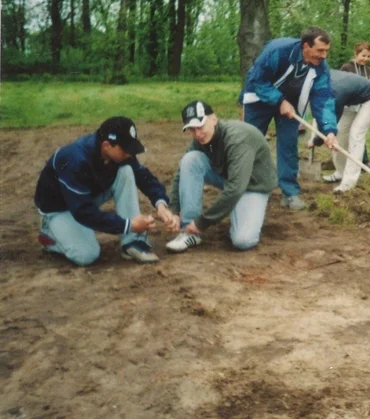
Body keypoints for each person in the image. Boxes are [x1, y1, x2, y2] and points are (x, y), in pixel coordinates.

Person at [34, 116, 179, 266]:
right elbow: (83, 212)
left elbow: (144, 177)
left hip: (85, 198)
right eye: (126, 149)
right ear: (106, 145)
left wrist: (161, 205)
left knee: (127, 170)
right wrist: (129, 225)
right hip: (60, 209)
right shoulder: (73, 159)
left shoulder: (119, 153)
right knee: (87, 255)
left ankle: (133, 242)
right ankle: (50, 235)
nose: (130, 154)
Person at [241, 27, 338, 210]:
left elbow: (323, 99)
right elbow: (258, 80)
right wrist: (279, 101)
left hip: (292, 104)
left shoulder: (321, 68)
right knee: (249, 142)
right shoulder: (278, 51)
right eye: (320, 50)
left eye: (326, 51)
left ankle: (290, 192)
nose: (324, 56)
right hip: (259, 98)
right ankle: (244, 186)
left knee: (289, 144)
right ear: (306, 46)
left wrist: (329, 130)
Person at [165, 101, 277, 253]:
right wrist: (173, 210)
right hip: (229, 178)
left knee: (243, 241)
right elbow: (181, 172)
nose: (197, 133)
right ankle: (189, 232)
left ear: (214, 119)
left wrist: (202, 222)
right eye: (192, 129)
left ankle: (238, 209)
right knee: (190, 160)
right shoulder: (201, 138)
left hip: (253, 186)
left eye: (200, 126)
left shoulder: (238, 138)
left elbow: (236, 188)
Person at [319, 49, 370, 192]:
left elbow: (334, 113)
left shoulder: (335, 88)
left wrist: (319, 138)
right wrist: (317, 136)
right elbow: (322, 112)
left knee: (356, 135)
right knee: (340, 134)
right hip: (351, 100)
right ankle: (340, 172)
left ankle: (349, 182)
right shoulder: (323, 82)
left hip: (369, 99)